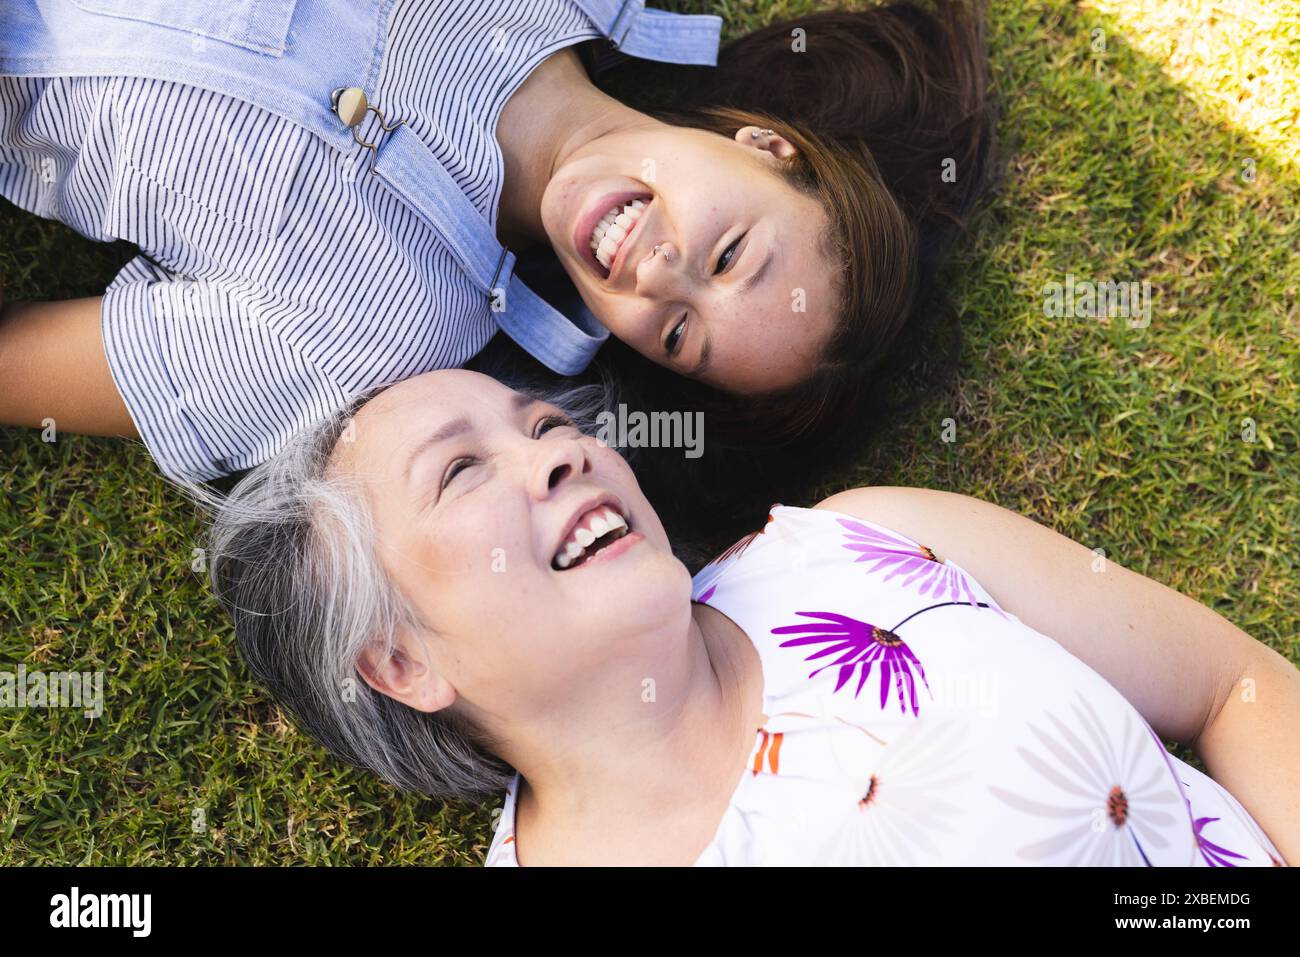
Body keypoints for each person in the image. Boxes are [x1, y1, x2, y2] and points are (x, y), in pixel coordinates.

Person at [204, 368, 1298, 866]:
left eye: (539, 422)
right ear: (399, 660)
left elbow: (1234, 686)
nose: (560, 452)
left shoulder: (865, 541)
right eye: (461, 471)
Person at [0, 0, 995, 492]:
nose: (658, 275)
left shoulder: (381, 320)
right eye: (729, 253)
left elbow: (25, 365)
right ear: (765, 146)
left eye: (676, 335)